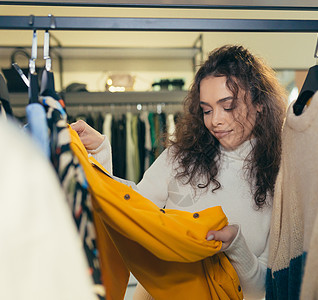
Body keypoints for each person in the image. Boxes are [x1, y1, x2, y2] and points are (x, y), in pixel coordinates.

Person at [71, 44, 287, 299]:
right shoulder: (181, 156)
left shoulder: (281, 176)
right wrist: (100, 156)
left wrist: (235, 245)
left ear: (260, 103)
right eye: (206, 110)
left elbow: (261, 288)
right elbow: (130, 217)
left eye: (227, 106)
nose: (214, 120)